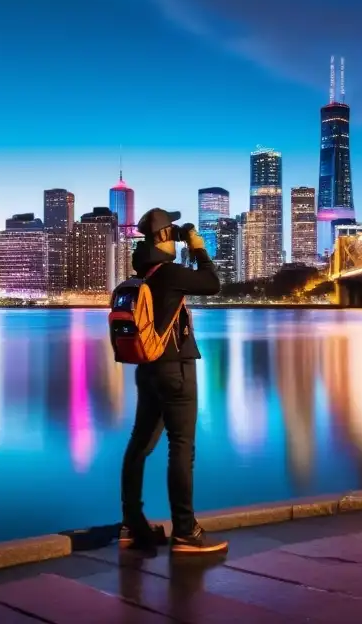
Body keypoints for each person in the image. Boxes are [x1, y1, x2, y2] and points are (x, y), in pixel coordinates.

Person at [119, 207, 227, 554]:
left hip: (146, 369)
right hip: (176, 371)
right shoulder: (169, 274)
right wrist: (197, 246)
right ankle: (185, 532)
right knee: (182, 447)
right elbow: (213, 283)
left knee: (139, 445)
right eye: (172, 233)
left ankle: (132, 525)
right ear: (164, 237)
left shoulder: (143, 275)